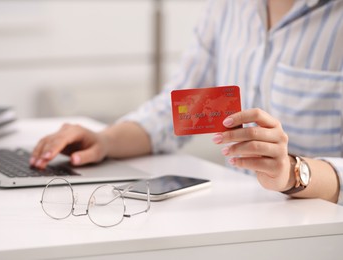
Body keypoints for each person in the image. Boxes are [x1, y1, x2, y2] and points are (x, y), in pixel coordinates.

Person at [30, 0, 343, 204]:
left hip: (320, 229)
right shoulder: (226, 7)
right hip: (239, 217)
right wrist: (105, 140)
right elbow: (178, 110)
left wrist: (293, 173)